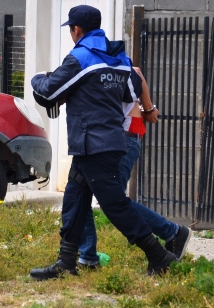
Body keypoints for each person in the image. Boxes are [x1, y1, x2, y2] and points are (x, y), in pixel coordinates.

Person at [29, 5, 191, 279]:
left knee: (115, 205)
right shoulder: (118, 58)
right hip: (105, 142)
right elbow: (132, 93)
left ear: (76, 30)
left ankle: (158, 256)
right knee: (75, 198)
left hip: (94, 144)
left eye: (71, 29)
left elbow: (49, 89)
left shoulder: (80, 57)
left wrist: (38, 77)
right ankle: (66, 261)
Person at [76, 66, 191, 269]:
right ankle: (87, 255)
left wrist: (148, 107)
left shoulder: (106, 59)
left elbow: (136, 71)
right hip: (112, 138)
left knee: (114, 201)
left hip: (123, 136)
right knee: (82, 191)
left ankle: (172, 232)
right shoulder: (97, 60)